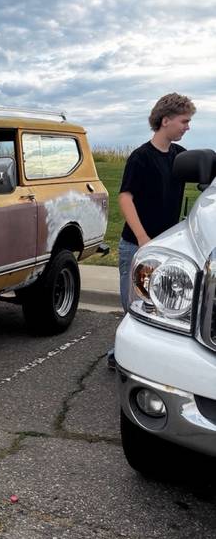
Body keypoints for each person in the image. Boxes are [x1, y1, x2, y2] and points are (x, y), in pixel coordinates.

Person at [108, 92, 195, 369]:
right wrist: (144, 239)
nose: (187, 127)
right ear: (165, 120)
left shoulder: (180, 157)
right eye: (184, 121)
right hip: (137, 246)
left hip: (168, 250)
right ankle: (123, 357)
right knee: (135, 308)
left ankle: (154, 362)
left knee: (166, 308)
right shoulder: (141, 157)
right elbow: (125, 198)